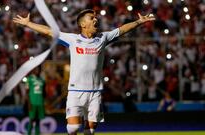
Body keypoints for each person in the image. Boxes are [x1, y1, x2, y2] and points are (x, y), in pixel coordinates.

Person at [13, 9, 155, 135]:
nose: (95, 19)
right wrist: (28, 24)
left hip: (95, 92)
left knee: (90, 130)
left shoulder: (102, 38)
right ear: (82, 24)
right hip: (76, 92)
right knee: (74, 128)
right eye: (91, 18)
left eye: (95, 17)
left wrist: (139, 22)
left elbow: (122, 30)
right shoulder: (73, 40)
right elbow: (49, 31)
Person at [25, 67, 46, 135]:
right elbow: (27, 92)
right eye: (36, 69)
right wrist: (28, 103)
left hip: (40, 103)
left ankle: (37, 133)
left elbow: (43, 93)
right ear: (33, 70)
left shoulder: (42, 80)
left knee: (38, 120)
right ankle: (29, 133)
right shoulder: (29, 79)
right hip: (32, 102)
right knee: (31, 119)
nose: (38, 71)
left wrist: (44, 102)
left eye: (39, 69)